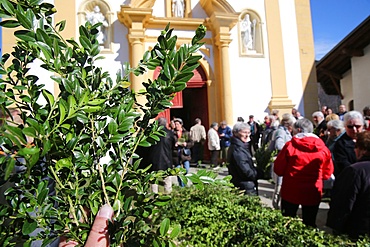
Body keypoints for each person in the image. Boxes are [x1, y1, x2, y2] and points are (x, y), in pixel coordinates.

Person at [274, 118, 334, 227]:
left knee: (287, 222)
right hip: (312, 190)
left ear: (298, 130)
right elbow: (327, 173)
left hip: (291, 190)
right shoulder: (323, 148)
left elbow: (278, 169)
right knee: (310, 222)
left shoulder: (290, 146)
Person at [326, 131, 370, 239]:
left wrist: (336, 228)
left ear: (362, 150)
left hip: (359, 231)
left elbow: (343, 203)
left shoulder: (355, 171)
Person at [269, 113, 296, 209]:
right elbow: (278, 145)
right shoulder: (281, 132)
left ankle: (277, 206)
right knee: (279, 185)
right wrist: (291, 149)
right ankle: (276, 206)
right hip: (282, 160)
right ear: (289, 125)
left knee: (280, 184)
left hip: (283, 160)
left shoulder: (282, 131)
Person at [227, 122, 261, 195]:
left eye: (248, 132)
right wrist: (258, 174)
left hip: (245, 184)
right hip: (244, 185)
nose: (247, 135)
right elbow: (244, 170)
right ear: (235, 133)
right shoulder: (237, 149)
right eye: (244, 132)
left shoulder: (242, 146)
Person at [148, 117, 176, 193]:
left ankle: (154, 195)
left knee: (154, 178)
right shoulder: (170, 133)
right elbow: (173, 145)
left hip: (155, 159)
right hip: (167, 159)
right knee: (167, 179)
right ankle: (168, 194)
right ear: (166, 124)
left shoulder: (153, 133)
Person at [333, 111, 364, 176]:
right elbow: (343, 164)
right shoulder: (340, 144)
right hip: (352, 177)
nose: (354, 129)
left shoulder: (367, 140)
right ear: (345, 127)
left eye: (357, 126)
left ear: (362, 126)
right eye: (350, 127)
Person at [172, 118, 193, 187]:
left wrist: (186, 144)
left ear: (181, 125)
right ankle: (181, 186)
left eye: (177, 124)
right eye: (175, 124)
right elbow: (170, 144)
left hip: (185, 154)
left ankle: (184, 182)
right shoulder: (172, 134)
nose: (176, 125)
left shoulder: (186, 133)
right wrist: (175, 144)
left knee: (186, 169)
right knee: (178, 171)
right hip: (176, 155)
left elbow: (192, 142)